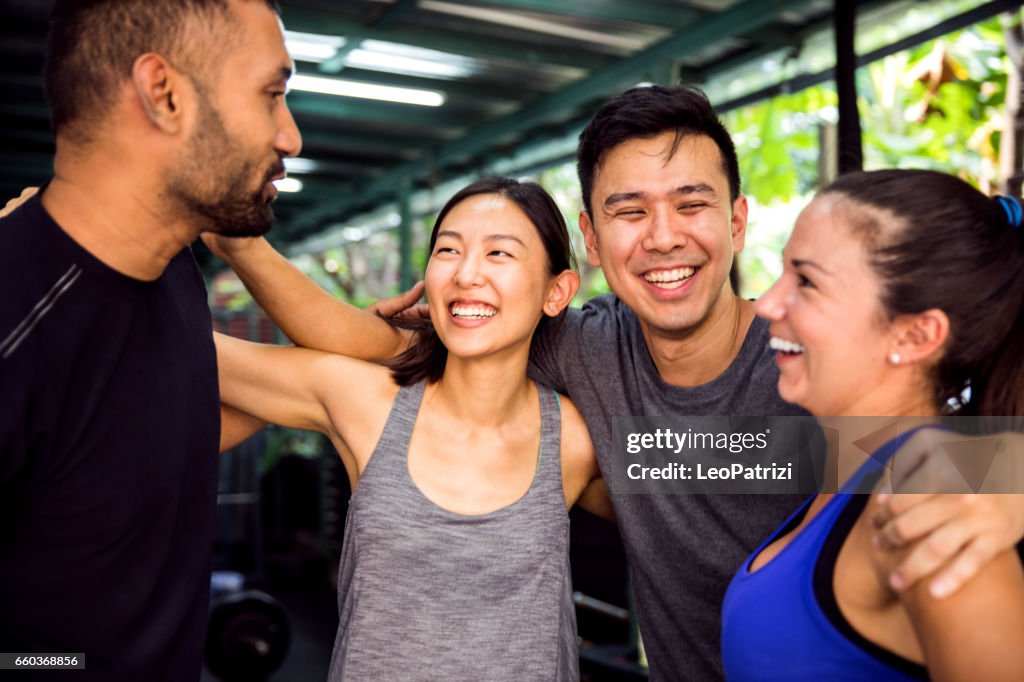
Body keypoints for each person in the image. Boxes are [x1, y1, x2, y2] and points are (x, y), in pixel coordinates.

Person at [205, 85, 1024, 680]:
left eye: (692, 204)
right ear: (591, 243)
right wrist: (241, 241)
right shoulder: (583, 351)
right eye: (630, 212)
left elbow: (928, 450)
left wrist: (1016, 480)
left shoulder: (812, 379)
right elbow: (373, 347)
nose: (664, 238)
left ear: (738, 221)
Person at [0, 1, 300, 679]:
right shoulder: (16, 322)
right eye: (273, 95)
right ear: (163, 94)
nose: (291, 137)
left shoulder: (172, 281)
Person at [214, 177, 601, 680]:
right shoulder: (364, 401)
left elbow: (702, 509)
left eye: (499, 254)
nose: (466, 274)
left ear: (557, 292)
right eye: (447, 250)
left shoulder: (575, 438)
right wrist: (236, 242)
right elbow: (185, 355)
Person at [722, 169, 1024, 680]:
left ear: (915, 334)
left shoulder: (934, 503)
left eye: (807, 281)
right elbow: (654, 459)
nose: (767, 304)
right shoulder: (840, 469)